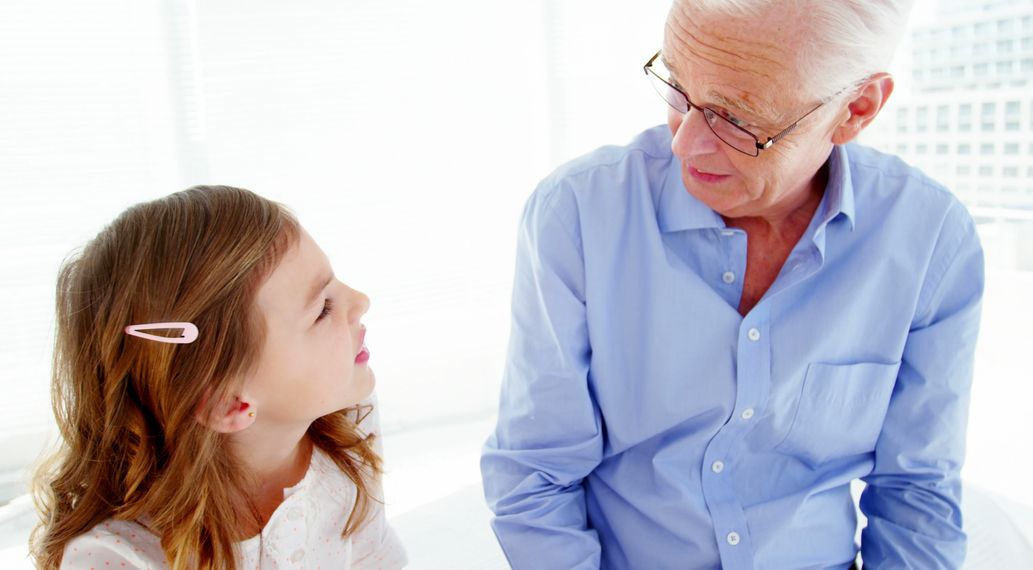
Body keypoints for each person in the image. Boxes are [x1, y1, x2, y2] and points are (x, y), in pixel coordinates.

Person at [481, 0, 983, 568]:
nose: (685, 142)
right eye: (677, 86)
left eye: (737, 118)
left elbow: (918, 493)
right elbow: (535, 477)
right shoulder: (577, 214)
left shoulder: (929, 236)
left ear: (856, 110)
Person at [31, 186, 407, 569]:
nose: (360, 300)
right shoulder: (118, 558)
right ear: (228, 403)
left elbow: (374, 556)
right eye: (322, 308)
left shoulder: (347, 425)